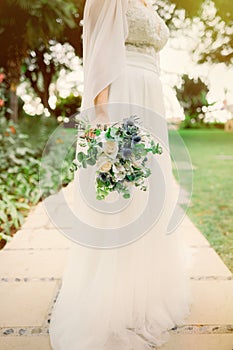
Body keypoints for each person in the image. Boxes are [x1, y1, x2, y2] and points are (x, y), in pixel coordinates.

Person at [49, 0, 192, 349]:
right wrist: (103, 120)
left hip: (150, 96)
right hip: (124, 94)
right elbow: (98, 54)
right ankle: (112, 304)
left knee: (153, 192)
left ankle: (146, 293)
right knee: (125, 194)